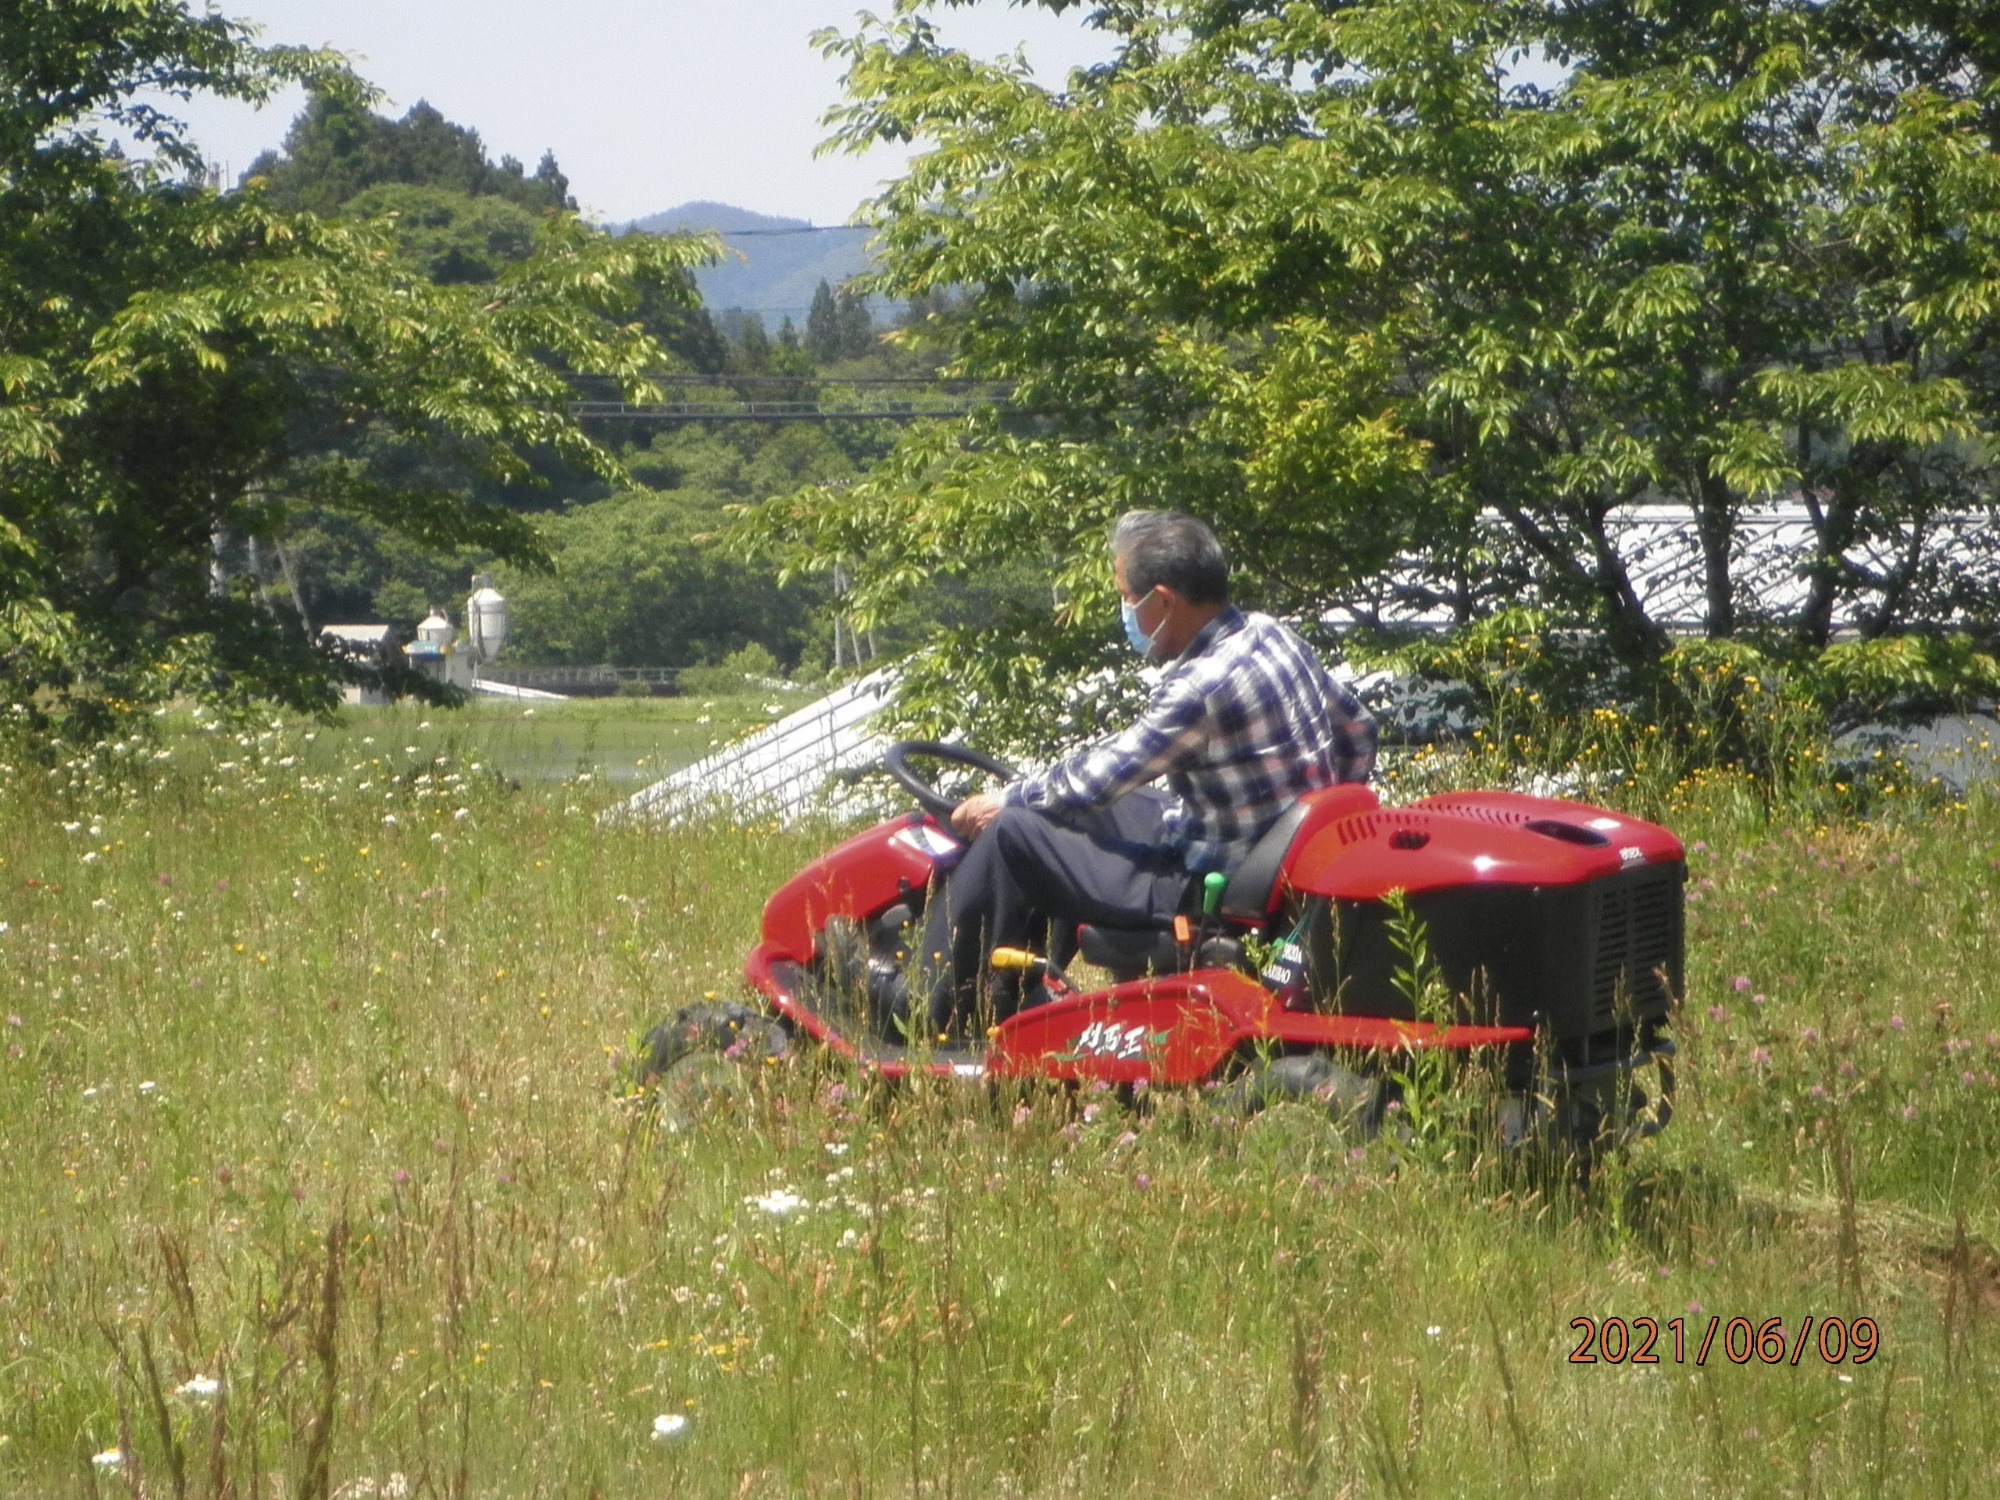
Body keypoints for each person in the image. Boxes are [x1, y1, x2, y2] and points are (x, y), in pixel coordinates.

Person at [920, 510, 1377, 1033]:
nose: (1125, 611)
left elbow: (1104, 776)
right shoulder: (1272, 635)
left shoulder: (1200, 686)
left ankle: (920, 1007)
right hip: (1273, 854)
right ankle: (1015, 987)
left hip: (1211, 884)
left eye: (1126, 598)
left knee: (1013, 832)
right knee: (1085, 811)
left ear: (1163, 600)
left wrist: (1008, 798)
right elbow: (1359, 730)